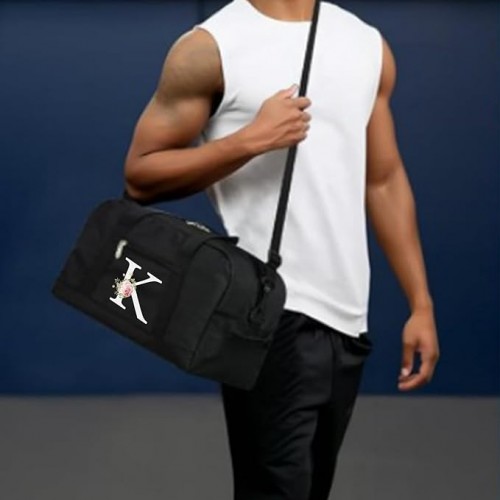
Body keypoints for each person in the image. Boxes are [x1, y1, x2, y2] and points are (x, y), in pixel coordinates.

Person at [124, 0, 440, 498]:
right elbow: (141, 175)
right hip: (267, 314)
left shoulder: (367, 44)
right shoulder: (211, 48)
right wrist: (249, 140)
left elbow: (383, 178)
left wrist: (420, 303)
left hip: (348, 318)